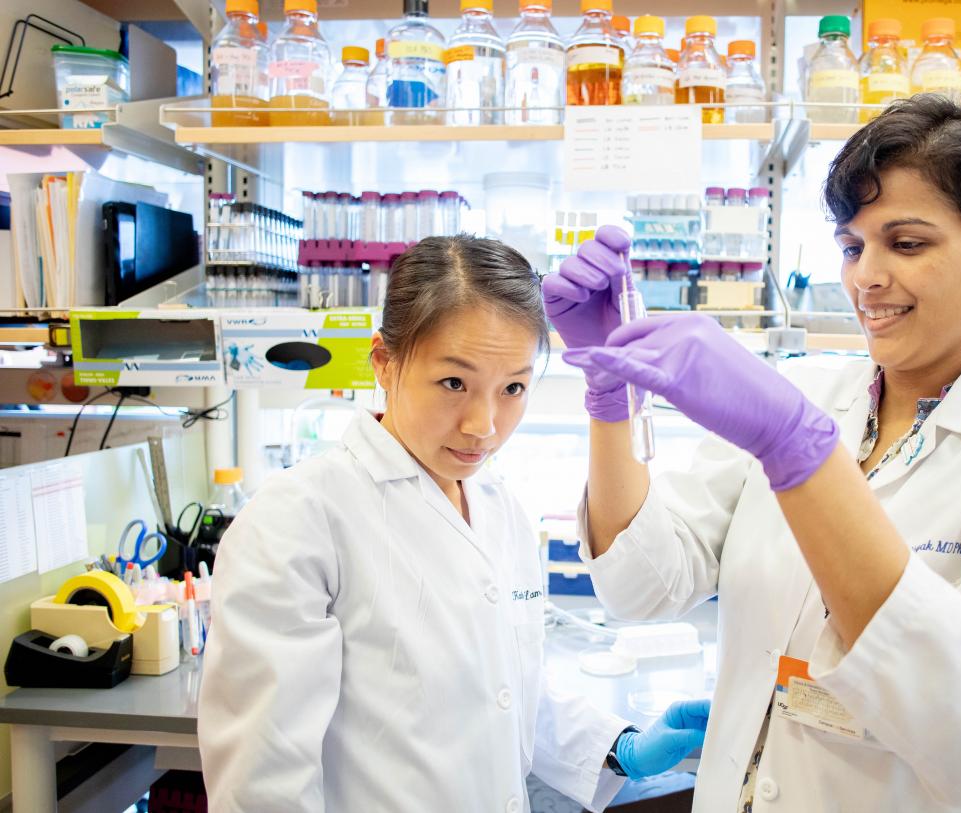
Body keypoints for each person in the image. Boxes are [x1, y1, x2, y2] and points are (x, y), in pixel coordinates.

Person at [545, 96, 961, 812]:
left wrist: (800, 453)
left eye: (905, 243)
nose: (865, 277)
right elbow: (640, 588)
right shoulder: (806, 393)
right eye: (852, 246)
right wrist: (610, 399)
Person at [199, 236, 709, 812]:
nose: (483, 425)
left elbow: (504, 693)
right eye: (453, 383)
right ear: (384, 364)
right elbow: (262, 784)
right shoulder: (300, 519)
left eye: (513, 387)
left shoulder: (498, 506)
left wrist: (621, 747)